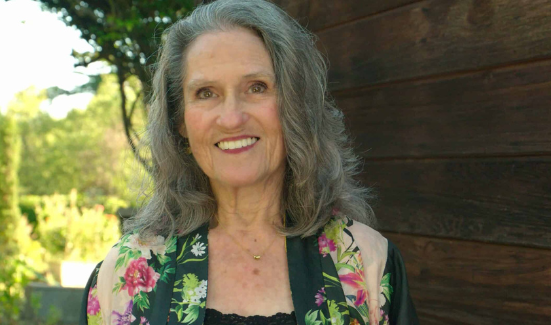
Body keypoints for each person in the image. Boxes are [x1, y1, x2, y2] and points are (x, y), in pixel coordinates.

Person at [80, 0, 418, 324]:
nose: (231, 118)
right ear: (179, 120)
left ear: (295, 105)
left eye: (257, 87)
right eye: (206, 93)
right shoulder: (123, 275)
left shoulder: (367, 263)